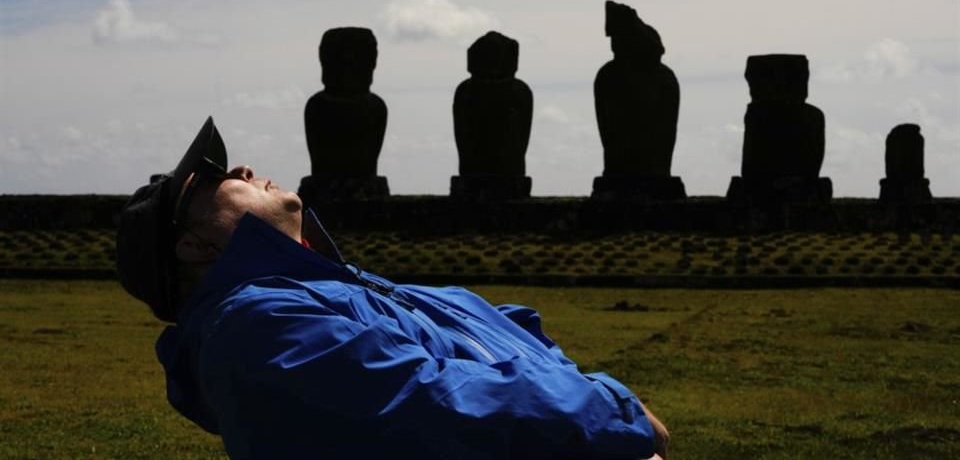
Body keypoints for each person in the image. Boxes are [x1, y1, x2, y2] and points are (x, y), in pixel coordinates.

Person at [116, 117, 670, 459]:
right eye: (213, 178)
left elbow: (518, 334)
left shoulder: (347, 288)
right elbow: (427, 401)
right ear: (193, 245)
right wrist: (608, 410)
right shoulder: (256, 325)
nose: (240, 166)